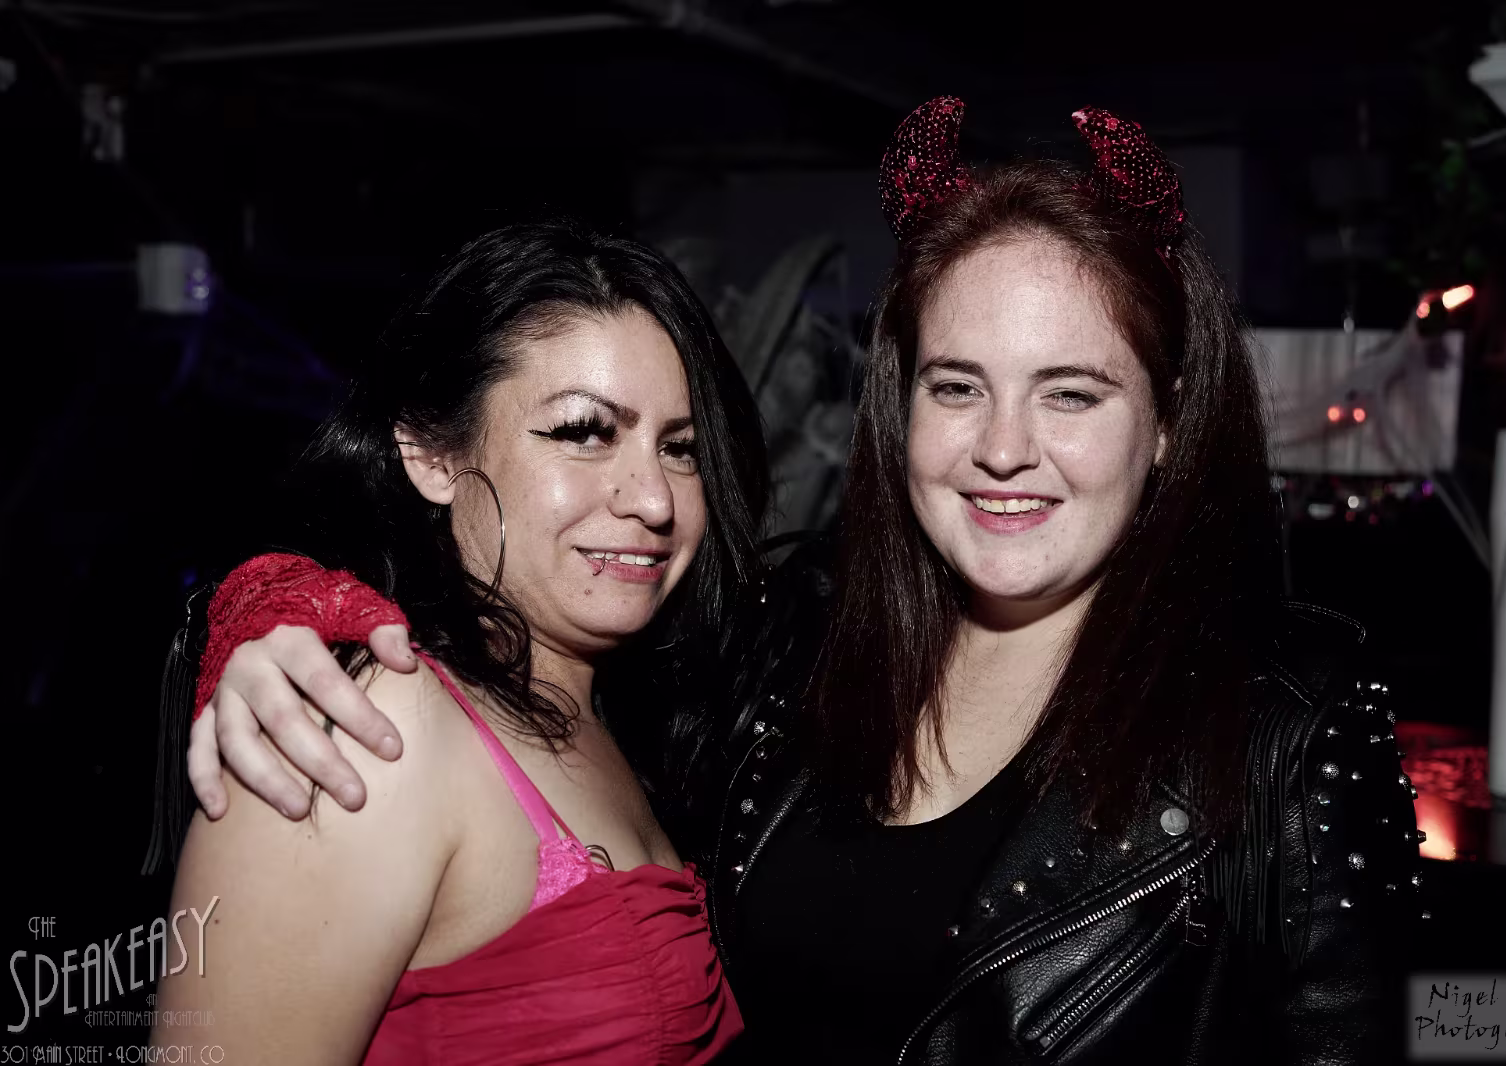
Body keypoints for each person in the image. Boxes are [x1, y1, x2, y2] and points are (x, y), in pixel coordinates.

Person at [178, 101, 1422, 1064]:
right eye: (957, 386)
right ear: (899, 406)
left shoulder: (1283, 720)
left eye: (1072, 393)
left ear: (1164, 423)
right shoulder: (792, 642)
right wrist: (274, 606)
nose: (1003, 447)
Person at [154, 219, 763, 1064]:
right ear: (431, 453)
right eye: (583, 432)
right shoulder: (367, 732)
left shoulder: (636, 715)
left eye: (681, 447)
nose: (654, 499)